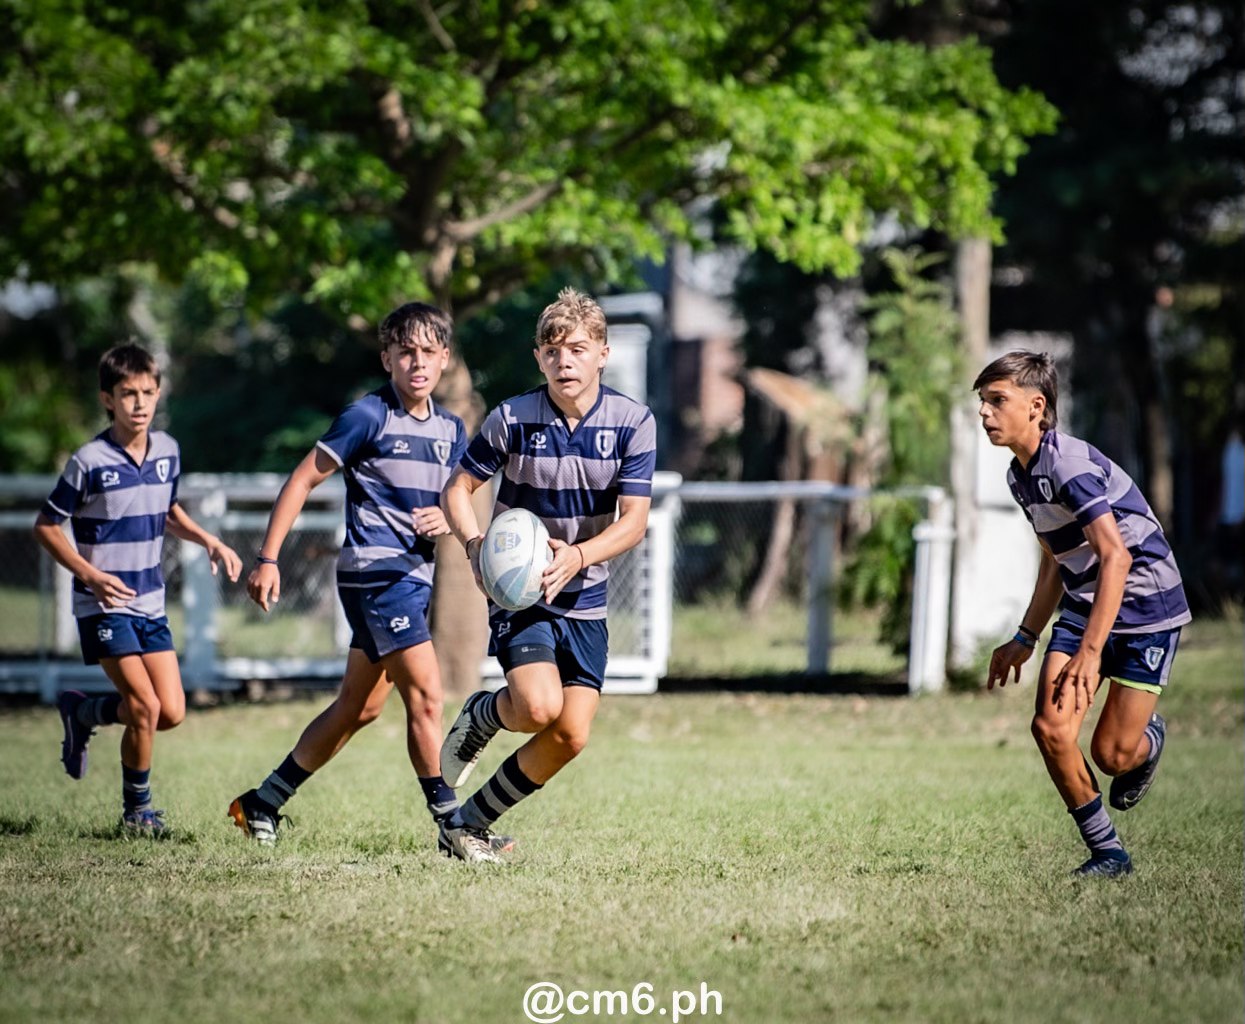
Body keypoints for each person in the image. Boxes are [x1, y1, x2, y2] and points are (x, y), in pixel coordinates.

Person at [227, 302, 500, 850]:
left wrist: (447, 518)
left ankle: (263, 801)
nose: (417, 362)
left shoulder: (450, 429)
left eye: (428, 352)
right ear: (387, 359)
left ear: (445, 359)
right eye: (405, 352)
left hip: (411, 578)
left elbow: (454, 503)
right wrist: (268, 558)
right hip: (374, 575)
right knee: (426, 695)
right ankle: (454, 827)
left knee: (361, 706)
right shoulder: (367, 417)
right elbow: (303, 479)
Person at [438, 286, 657, 864]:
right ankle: (485, 714)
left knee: (569, 734)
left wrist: (580, 556)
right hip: (522, 594)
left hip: (585, 595)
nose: (566, 361)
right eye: (554, 350)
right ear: (539, 358)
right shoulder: (512, 417)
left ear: (603, 354)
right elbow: (457, 491)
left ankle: (465, 825)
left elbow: (634, 522)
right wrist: (476, 545)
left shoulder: (633, 423)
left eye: (579, 349)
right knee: (537, 708)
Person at [979, 351, 1190, 878]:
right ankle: (1109, 853)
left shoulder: (1068, 466)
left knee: (1113, 756)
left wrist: (1090, 654)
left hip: (1147, 606)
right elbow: (1058, 559)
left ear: (1036, 406)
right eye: (982, 402)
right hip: (1085, 601)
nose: (984, 413)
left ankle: (1148, 741)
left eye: (996, 401)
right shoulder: (1020, 476)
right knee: (1050, 728)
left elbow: (1116, 555)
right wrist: (1025, 637)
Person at [35, 343, 243, 835]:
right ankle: (137, 814)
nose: (140, 403)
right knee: (145, 708)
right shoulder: (88, 461)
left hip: (151, 603)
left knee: (169, 712)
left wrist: (209, 540)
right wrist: (87, 574)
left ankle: (84, 712)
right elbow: (45, 526)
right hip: (103, 606)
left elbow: (168, 512)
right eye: (128, 394)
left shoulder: (168, 451)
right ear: (108, 398)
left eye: (148, 392)